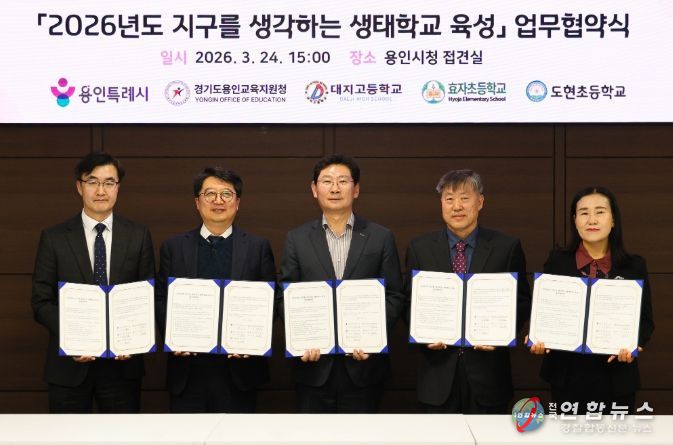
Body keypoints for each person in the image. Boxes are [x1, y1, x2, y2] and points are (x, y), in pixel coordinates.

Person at [279, 154, 404, 413]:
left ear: (356, 189)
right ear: (314, 189)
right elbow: (285, 296)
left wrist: (373, 338)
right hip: (312, 367)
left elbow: (394, 295)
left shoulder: (380, 237)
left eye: (343, 181)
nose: (335, 188)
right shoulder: (297, 239)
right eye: (327, 181)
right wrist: (301, 339)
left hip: (365, 367)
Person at [31, 152, 155, 413]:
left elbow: (147, 297)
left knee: (123, 434)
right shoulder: (54, 238)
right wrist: (73, 337)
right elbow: (41, 302)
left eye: (109, 182)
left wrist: (133, 339)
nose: (101, 190)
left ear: (118, 187)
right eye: (92, 182)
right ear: (79, 186)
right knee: (67, 434)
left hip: (122, 366)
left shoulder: (138, 235)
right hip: (69, 366)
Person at [405, 169, 531, 414]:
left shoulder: (506, 247)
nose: (457, 206)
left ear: (480, 202)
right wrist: (423, 334)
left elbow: (522, 301)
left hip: (489, 375)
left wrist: (501, 335)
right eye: (449, 199)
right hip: (437, 375)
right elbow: (409, 302)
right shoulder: (420, 248)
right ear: (441, 204)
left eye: (464, 198)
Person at [155, 167, 276, 413]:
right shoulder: (174, 247)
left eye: (226, 194)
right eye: (210, 194)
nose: (218, 201)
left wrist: (253, 340)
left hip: (240, 372)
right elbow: (160, 299)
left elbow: (271, 301)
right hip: (187, 371)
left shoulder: (257, 247)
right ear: (197, 202)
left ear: (237, 203)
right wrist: (173, 338)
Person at [529, 186, 654, 413]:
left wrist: (634, 345)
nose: (592, 220)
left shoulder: (634, 266)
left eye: (600, 212)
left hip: (617, 376)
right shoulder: (557, 261)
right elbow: (545, 311)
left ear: (613, 220)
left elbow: (645, 321)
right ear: (575, 220)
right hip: (566, 376)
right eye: (584, 213)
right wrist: (537, 336)